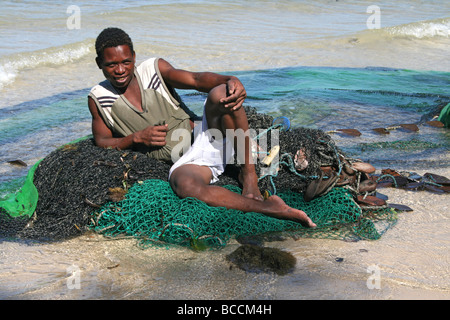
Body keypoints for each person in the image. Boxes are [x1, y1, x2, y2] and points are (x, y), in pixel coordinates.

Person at [88, 27, 316, 227]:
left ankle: (249, 175)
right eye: (111, 64)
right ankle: (272, 208)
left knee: (223, 93)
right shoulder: (99, 98)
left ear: (134, 57)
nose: (120, 70)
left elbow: (196, 80)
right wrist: (136, 138)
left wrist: (230, 79)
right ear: (99, 64)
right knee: (185, 186)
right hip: (190, 161)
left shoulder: (153, 69)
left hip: (208, 134)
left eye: (126, 62)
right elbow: (102, 141)